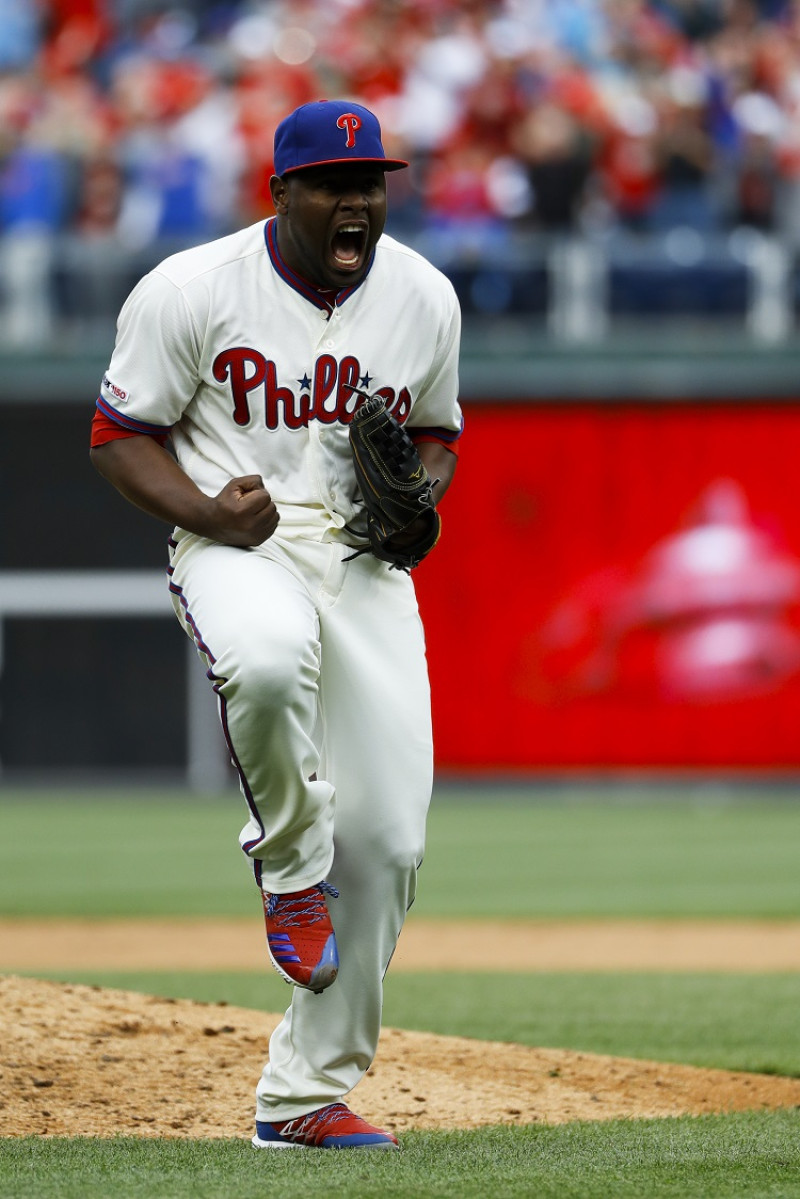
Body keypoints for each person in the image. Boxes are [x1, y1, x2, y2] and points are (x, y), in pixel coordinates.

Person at [89, 98, 463, 1151]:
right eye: (337, 184)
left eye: (373, 182)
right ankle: (292, 868)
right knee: (260, 658)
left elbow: (434, 434)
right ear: (282, 193)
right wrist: (206, 513)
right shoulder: (192, 288)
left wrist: (420, 494)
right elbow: (120, 435)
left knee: (388, 840)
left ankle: (302, 1097)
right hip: (236, 534)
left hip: (362, 557)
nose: (359, 200)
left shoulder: (423, 296)